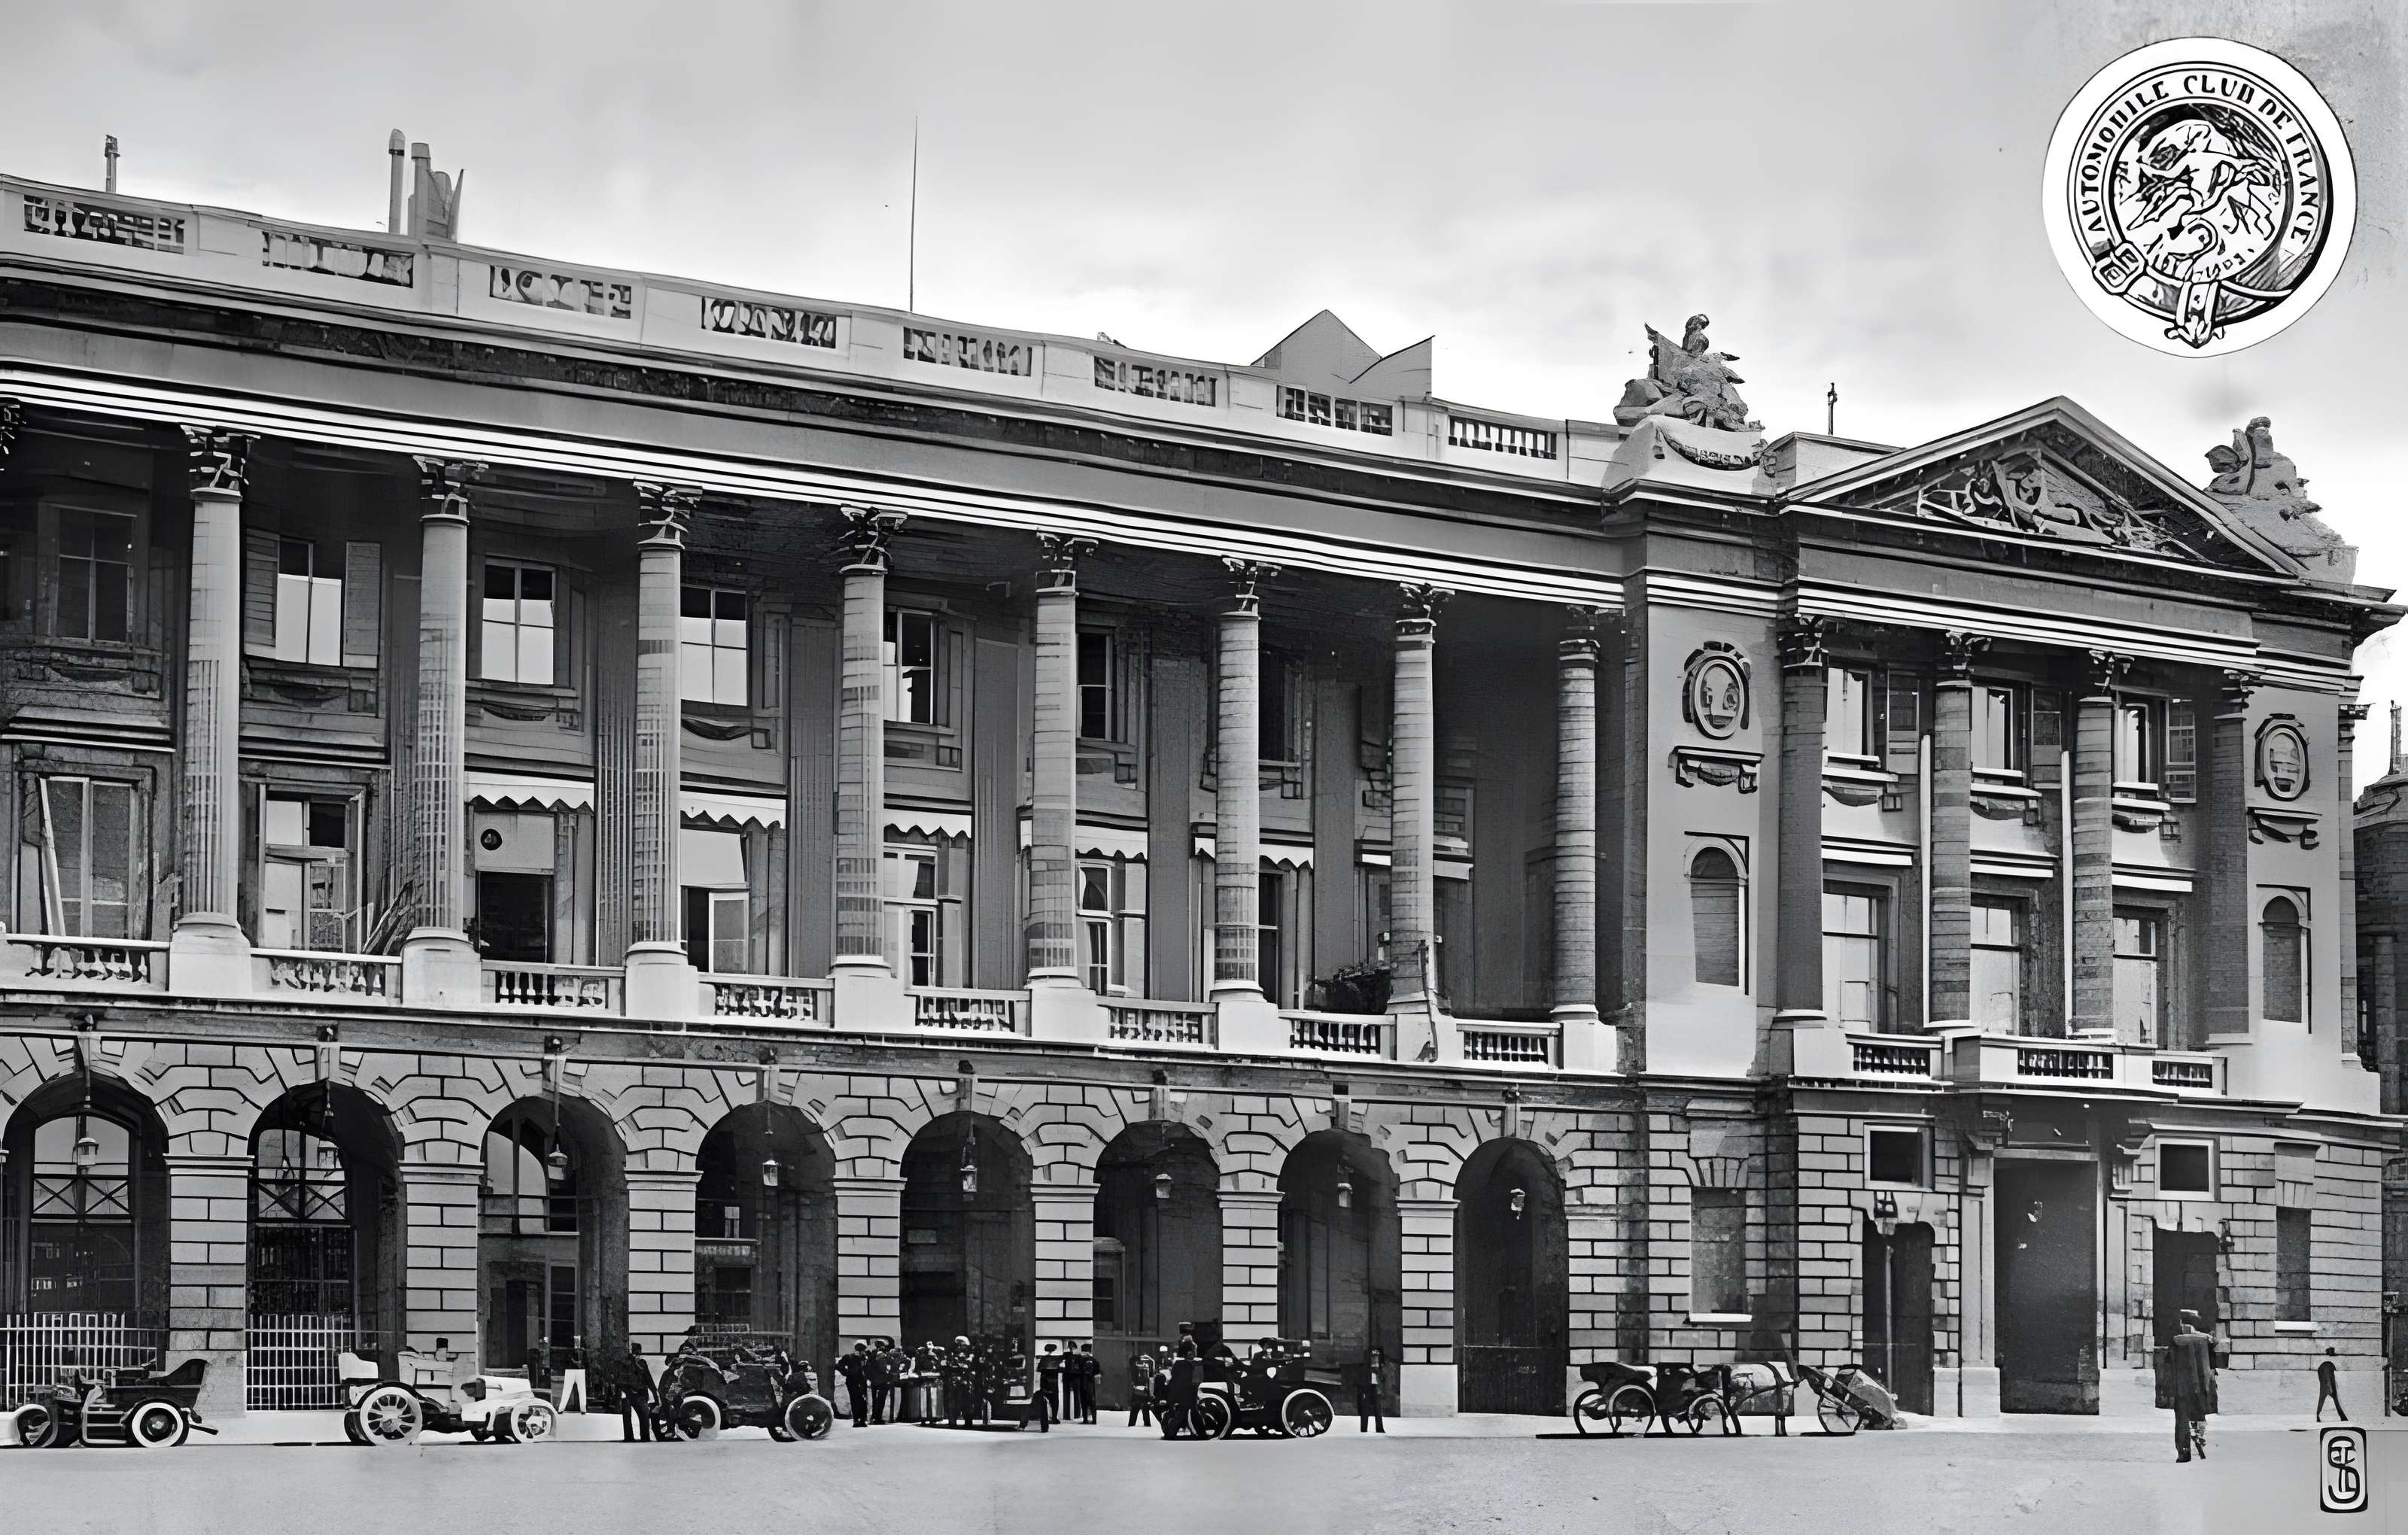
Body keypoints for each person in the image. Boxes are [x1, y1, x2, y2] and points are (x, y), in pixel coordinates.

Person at [2168, 1309, 2216, 1462]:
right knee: (2193, 1418)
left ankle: (2187, 1451)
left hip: (2187, 1386)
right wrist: (2204, 1336)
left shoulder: (2182, 1340)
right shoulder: (2200, 1339)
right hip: (2193, 1386)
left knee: (2186, 1419)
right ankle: (2193, 1450)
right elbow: (2179, 1340)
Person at [616, 1340, 655, 1442]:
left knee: (635, 1417)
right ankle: (640, 1438)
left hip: (631, 1392)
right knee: (641, 1416)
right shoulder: (634, 1363)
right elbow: (648, 1378)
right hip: (634, 1392)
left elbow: (647, 1377)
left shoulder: (635, 1363)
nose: (638, 1355)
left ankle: (635, 1438)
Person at [838, 1339, 874, 1427]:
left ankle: (861, 1419)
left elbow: (869, 1368)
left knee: (861, 1400)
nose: (860, 1350)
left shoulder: (865, 1358)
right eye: (859, 1348)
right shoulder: (850, 1357)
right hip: (853, 1381)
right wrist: (847, 1373)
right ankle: (858, 1419)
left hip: (861, 1381)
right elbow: (839, 1365)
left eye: (862, 1348)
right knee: (856, 1400)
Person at [1357, 1347, 1387, 1434]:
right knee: (1365, 1409)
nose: (1375, 1359)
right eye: (1373, 1357)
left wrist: (1378, 1372)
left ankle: (1379, 1428)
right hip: (1367, 1388)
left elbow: (1383, 1379)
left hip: (1376, 1388)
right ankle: (1364, 1429)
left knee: (1378, 1409)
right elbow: (1362, 1378)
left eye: (1376, 1357)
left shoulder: (1380, 1367)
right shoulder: (1365, 1368)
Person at [2317, 1347, 2348, 1421]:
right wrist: (2330, 1386)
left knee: (2323, 1400)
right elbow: (2328, 1377)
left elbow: (2323, 1375)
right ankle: (2342, 1416)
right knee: (2334, 1400)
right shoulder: (2327, 1365)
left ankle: (2318, 1415)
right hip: (2328, 1385)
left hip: (2326, 1385)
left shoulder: (2325, 1365)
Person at [1037, 1340, 1065, 1422]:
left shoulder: (1043, 1359)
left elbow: (1039, 1369)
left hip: (1044, 1382)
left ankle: (1046, 1417)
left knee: (1045, 1400)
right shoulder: (1057, 1359)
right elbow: (1061, 1369)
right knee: (1055, 1401)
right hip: (1054, 1383)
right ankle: (1054, 1418)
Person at [1129, 1350, 1156, 1428]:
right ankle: (1146, 1423)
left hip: (1138, 1387)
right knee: (1144, 1407)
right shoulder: (1149, 1362)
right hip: (1144, 1388)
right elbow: (1152, 1375)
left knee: (1136, 1407)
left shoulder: (1135, 1365)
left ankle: (1132, 1423)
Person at [1078, 1342, 1099, 1423]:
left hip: (1083, 1383)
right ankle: (1094, 1420)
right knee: (1093, 1402)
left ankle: (1085, 1419)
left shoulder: (1081, 1360)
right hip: (1091, 1383)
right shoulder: (1094, 1360)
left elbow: (1078, 1370)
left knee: (1084, 1402)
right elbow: (1097, 1371)